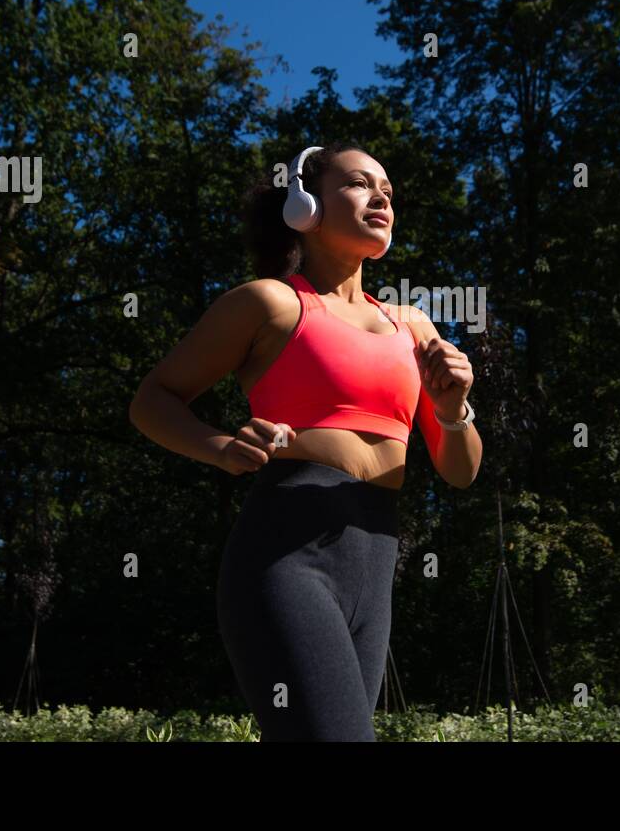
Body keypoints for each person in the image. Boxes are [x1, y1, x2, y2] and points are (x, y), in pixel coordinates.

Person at [128, 142, 483, 741]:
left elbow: (461, 472)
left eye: (388, 191)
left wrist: (453, 410)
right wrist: (219, 447)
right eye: (360, 184)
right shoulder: (269, 302)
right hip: (286, 552)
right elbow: (151, 400)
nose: (381, 198)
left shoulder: (414, 326)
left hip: (375, 557)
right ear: (305, 204)